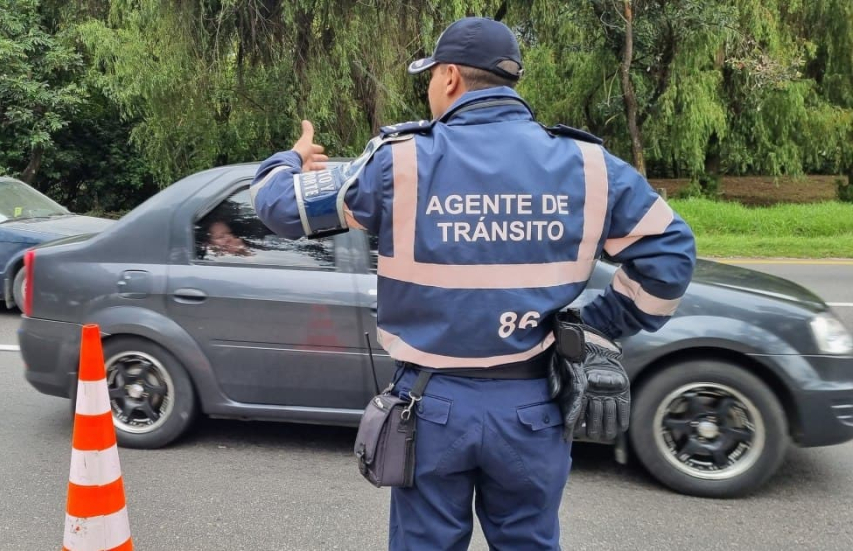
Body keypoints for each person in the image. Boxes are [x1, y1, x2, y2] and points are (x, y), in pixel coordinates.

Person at [250, 16, 696, 551]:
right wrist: (597, 326)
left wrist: (290, 160)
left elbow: (278, 207)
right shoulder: (589, 166)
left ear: (452, 78)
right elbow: (669, 256)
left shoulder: (401, 161)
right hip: (534, 408)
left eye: (431, 75)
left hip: (431, 409)